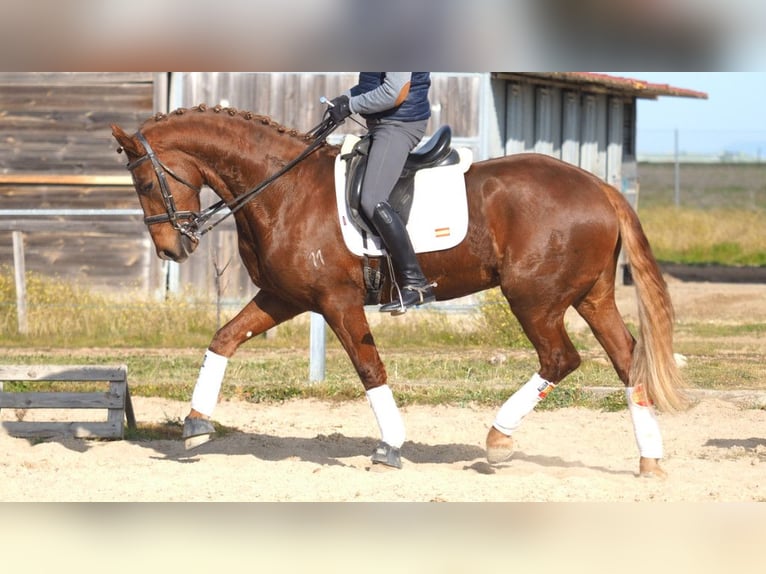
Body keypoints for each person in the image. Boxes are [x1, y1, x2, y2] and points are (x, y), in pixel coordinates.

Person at [328, 72, 435, 314]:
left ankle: (416, 283)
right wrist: (344, 99)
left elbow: (394, 93)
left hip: (399, 124)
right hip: (381, 123)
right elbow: (371, 84)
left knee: (372, 199)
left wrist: (351, 105)